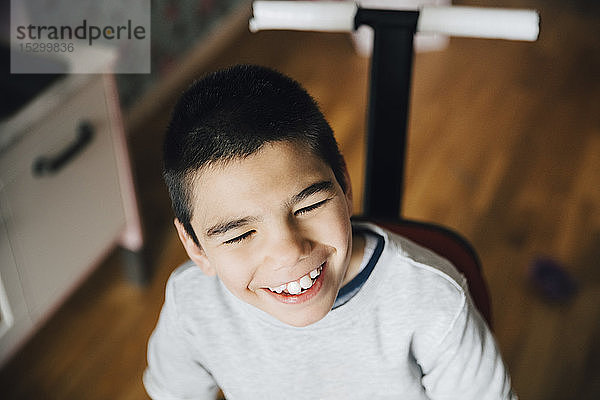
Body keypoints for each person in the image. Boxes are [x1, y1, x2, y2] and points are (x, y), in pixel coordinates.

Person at [143, 64, 517, 399]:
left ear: (344, 186)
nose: (289, 251)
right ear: (196, 248)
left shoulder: (433, 300)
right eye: (239, 235)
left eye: (307, 207)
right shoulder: (190, 304)